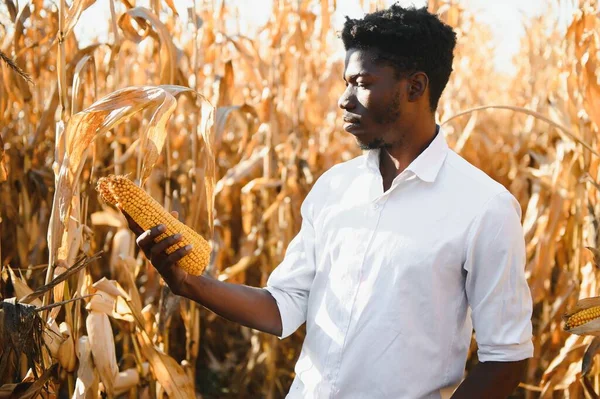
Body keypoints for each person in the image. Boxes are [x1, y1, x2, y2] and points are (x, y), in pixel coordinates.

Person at [123, 4, 534, 398]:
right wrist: (189, 283)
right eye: (345, 83)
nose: (344, 99)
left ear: (415, 87)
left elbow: (507, 359)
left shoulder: (484, 207)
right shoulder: (334, 188)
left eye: (363, 83)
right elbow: (283, 306)